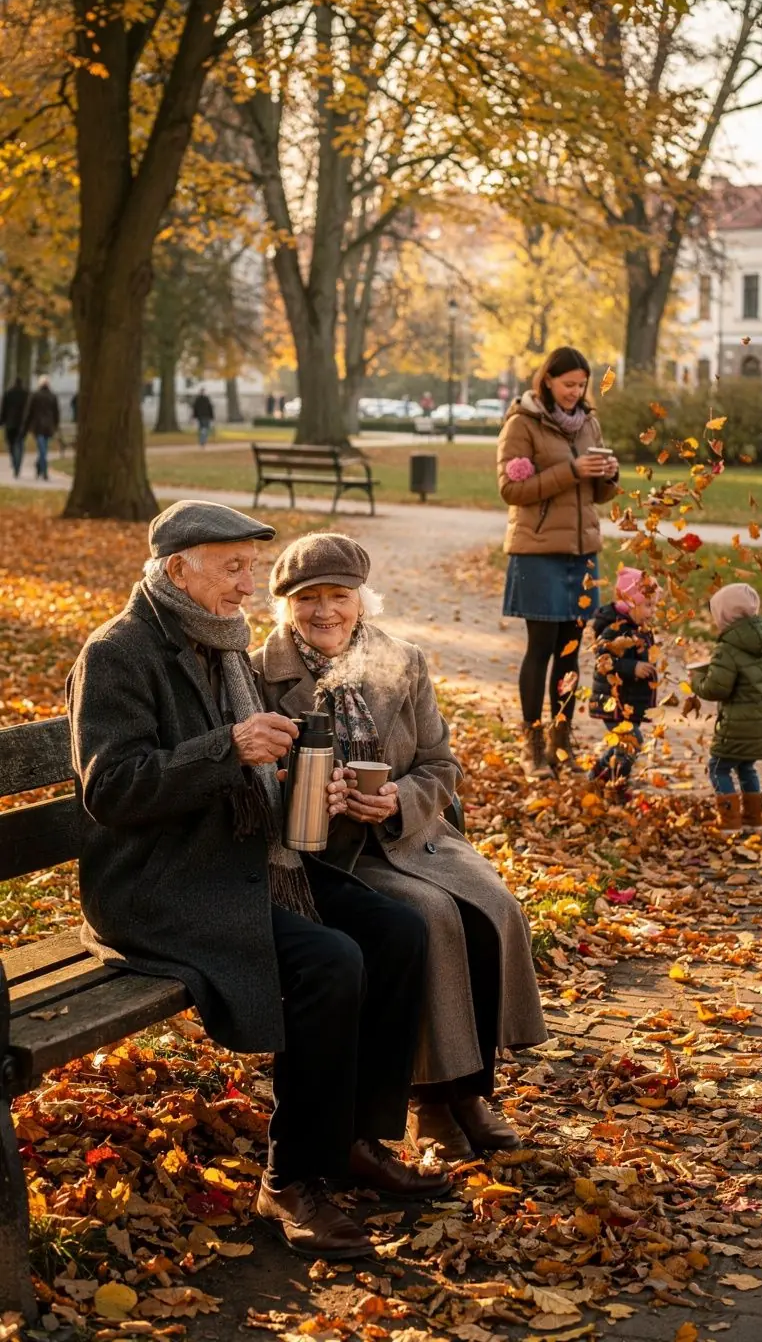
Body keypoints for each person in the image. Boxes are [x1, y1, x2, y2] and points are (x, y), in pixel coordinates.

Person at [67, 500, 448, 1262]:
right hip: (159, 884)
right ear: (180, 569)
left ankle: (351, 1140)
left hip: (240, 860)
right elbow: (109, 791)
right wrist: (227, 748)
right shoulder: (119, 652)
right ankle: (291, 1178)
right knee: (329, 962)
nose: (250, 584)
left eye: (250, 565)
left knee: (400, 931)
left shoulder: (220, 640)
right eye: (234, 566)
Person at [253, 533, 546, 1163]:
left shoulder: (402, 661)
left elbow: (441, 762)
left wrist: (399, 800)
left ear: (363, 601)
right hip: (333, 857)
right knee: (430, 917)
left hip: (412, 834)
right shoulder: (260, 674)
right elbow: (256, 783)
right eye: (308, 598)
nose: (324, 610)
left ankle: (470, 1092)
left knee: (492, 905)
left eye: (339, 595)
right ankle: (431, 1101)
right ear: (286, 607)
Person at [496, 346, 619, 780]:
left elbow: (598, 494)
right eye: (569, 384)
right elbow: (511, 491)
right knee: (542, 648)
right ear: (547, 380)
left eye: (582, 385)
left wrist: (608, 475)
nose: (576, 392)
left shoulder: (589, 422)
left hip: (582, 554)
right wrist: (572, 469)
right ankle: (532, 743)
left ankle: (561, 739)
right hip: (538, 552)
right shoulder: (522, 424)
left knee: (570, 653)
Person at [688, 582, 762, 833]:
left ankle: (729, 823)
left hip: (737, 726)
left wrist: (696, 682)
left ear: (723, 615)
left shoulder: (727, 648)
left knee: (717, 767)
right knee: (746, 765)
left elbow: (717, 689)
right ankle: (753, 820)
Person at [589, 567, 660, 793]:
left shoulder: (638, 627)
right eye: (648, 605)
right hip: (613, 700)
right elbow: (604, 658)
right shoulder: (614, 628)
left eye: (655, 605)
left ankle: (598, 776)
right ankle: (616, 787)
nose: (653, 611)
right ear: (630, 603)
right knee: (630, 742)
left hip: (630, 701)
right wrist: (632, 667)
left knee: (625, 744)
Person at [25, 375, 60, 480]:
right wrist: (56, 425)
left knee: (42, 449)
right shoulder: (53, 396)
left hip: (38, 426)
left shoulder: (35, 396)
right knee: (43, 449)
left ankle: (41, 468)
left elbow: (29, 412)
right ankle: (43, 469)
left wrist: (27, 425)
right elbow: (56, 413)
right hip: (49, 427)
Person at [0, 376, 29, 477]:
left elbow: (3, 409)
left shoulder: (8, 394)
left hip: (10, 423)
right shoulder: (26, 395)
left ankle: (14, 460)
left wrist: (2, 421)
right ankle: (18, 465)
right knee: (20, 445)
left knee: (11, 444)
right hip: (22, 424)